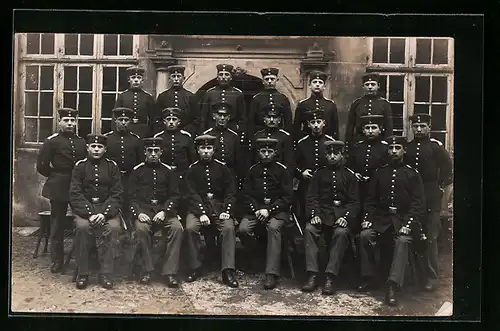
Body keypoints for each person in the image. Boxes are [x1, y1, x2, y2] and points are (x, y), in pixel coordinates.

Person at [358, 135, 426, 306]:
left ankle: (392, 285)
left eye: (397, 148)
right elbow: (371, 200)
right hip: (383, 220)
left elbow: (418, 205)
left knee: (402, 241)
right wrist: (368, 219)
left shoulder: (412, 174)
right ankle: (370, 277)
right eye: (391, 148)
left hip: (404, 220)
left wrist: (408, 225)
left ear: (404, 150)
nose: (394, 151)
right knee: (365, 235)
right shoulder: (380, 173)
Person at [302, 140, 360, 295]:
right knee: (309, 229)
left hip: (341, 216)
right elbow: (312, 197)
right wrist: (315, 215)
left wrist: (346, 218)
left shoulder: (349, 175)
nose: (333, 157)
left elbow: (354, 202)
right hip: (323, 214)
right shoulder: (319, 174)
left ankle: (330, 276)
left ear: (342, 155)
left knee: (341, 233)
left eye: (336, 154)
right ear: (325, 155)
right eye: (329, 154)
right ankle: (312, 275)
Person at [183, 134, 239, 288]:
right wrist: (201, 213)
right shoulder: (192, 170)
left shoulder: (223, 168)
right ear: (197, 150)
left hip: (219, 208)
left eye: (209, 148)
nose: (206, 151)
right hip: (197, 208)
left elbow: (230, 192)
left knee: (228, 228)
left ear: (214, 150)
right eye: (202, 148)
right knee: (190, 228)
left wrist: (227, 210)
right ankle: (195, 267)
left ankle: (228, 270)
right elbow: (191, 194)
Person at [405, 113, 453, 291]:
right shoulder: (407, 148)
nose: (418, 129)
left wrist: (441, 190)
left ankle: (431, 276)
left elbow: (448, 171)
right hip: (411, 198)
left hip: (431, 197)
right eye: (415, 127)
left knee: (431, 238)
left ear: (429, 127)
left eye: (422, 126)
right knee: (413, 235)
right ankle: (414, 275)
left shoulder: (436, 147)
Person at [69, 134, 124, 290]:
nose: (96, 149)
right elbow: (75, 193)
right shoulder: (80, 166)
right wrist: (89, 214)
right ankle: (83, 273)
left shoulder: (112, 167)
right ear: (87, 148)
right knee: (83, 228)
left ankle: (106, 273)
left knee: (113, 228)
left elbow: (117, 193)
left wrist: (105, 214)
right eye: (93, 146)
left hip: (107, 209)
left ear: (105, 149)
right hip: (85, 210)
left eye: (100, 147)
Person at [36, 107, 87, 273]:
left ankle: (83, 259)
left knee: (83, 221)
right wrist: (56, 176)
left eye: (73, 121)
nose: (70, 123)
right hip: (58, 185)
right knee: (57, 224)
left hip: (78, 186)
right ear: (60, 122)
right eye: (67, 120)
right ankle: (57, 260)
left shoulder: (81, 142)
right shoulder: (51, 141)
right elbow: (42, 166)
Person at [238, 137, 293, 290]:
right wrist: (256, 209)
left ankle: (271, 273)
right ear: (258, 152)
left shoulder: (282, 171)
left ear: (275, 152)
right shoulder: (253, 171)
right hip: (255, 211)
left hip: (277, 212)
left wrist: (269, 210)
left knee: (274, 228)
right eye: (263, 151)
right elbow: (246, 194)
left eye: (270, 151)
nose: (267, 154)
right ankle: (257, 258)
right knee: (243, 229)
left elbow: (287, 197)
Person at [127, 137, 183, 287]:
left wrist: (165, 211)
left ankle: (170, 272)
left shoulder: (168, 171)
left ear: (161, 152)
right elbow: (131, 197)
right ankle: (147, 270)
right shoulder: (137, 171)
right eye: (150, 151)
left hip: (164, 211)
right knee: (141, 229)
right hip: (144, 212)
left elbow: (175, 195)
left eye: (156, 151)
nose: (153, 154)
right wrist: (138, 213)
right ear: (145, 152)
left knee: (177, 228)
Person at [346, 114, 389, 233]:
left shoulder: (386, 148)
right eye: (367, 128)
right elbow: (349, 166)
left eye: (374, 128)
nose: (370, 131)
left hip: (378, 190)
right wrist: (354, 174)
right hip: (359, 188)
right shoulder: (357, 147)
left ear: (380, 129)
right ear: (363, 130)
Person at [294, 109, 335, 227]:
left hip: (326, 185)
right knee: (305, 213)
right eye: (313, 122)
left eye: (318, 121)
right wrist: (301, 172)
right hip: (307, 184)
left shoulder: (330, 141)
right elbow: (293, 164)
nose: (316, 125)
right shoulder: (302, 143)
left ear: (324, 123)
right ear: (308, 124)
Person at [103, 107, 143, 222]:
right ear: (115, 120)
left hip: (131, 179)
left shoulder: (136, 140)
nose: (124, 122)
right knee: (113, 208)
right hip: (112, 179)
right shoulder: (107, 138)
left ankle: (129, 236)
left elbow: (140, 162)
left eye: (126, 120)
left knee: (129, 208)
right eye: (121, 119)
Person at [198, 64, 246, 142]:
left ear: (231, 77)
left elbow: (242, 117)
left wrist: (241, 133)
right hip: (212, 129)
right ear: (217, 77)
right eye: (221, 74)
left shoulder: (237, 94)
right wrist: (202, 132)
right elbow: (204, 116)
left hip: (231, 129)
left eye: (226, 74)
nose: (223, 77)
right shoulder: (210, 93)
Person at [345, 72, 394, 150]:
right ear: (363, 87)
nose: (370, 87)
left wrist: (388, 143)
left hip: (379, 143)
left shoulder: (384, 104)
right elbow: (350, 126)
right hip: (360, 142)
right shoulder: (356, 104)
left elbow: (389, 126)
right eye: (367, 85)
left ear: (378, 86)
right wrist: (348, 144)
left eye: (373, 84)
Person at [202, 102, 246, 184]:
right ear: (214, 116)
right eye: (219, 115)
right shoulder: (207, 135)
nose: (222, 118)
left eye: (225, 116)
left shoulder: (234, 136)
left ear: (229, 117)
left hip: (230, 175)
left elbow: (239, 160)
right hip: (212, 174)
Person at [292, 70, 339, 143]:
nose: (317, 85)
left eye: (320, 82)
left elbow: (335, 128)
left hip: (326, 143)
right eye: (314, 82)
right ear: (310, 85)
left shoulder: (330, 105)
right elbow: (296, 127)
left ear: (324, 86)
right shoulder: (303, 104)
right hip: (307, 143)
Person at [247, 67, 292, 138]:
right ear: (263, 81)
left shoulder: (283, 98)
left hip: (279, 135)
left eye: (272, 79)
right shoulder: (256, 98)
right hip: (260, 134)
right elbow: (251, 120)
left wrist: (287, 136)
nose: (270, 81)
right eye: (267, 79)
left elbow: (288, 120)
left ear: (277, 80)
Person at [155, 65, 199, 136]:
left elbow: (196, 119)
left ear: (183, 78)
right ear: (169, 79)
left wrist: (187, 132)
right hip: (166, 134)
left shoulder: (190, 96)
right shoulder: (163, 96)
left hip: (185, 134)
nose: (176, 79)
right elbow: (157, 118)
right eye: (173, 76)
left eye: (178, 76)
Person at [251, 103, 295, 174]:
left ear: (279, 120)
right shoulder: (257, 136)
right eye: (268, 117)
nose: (271, 120)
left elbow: (289, 162)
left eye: (275, 117)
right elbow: (252, 160)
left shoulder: (285, 137)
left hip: (279, 175)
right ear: (264, 119)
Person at [153, 107, 197, 175]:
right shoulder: (158, 137)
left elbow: (192, 158)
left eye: (174, 119)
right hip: (163, 174)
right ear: (164, 121)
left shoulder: (186, 136)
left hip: (183, 173)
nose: (171, 122)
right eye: (168, 119)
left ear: (179, 122)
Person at [114, 66, 156, 138]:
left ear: (142, 80)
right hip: (126, 130)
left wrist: (149, 133)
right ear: (129, 80)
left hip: (143, 131)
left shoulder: (148, 97)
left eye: (139, 78)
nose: (136, 80)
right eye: (133, 77)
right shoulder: (122, 96)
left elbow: (153, 118)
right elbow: (115, 116)